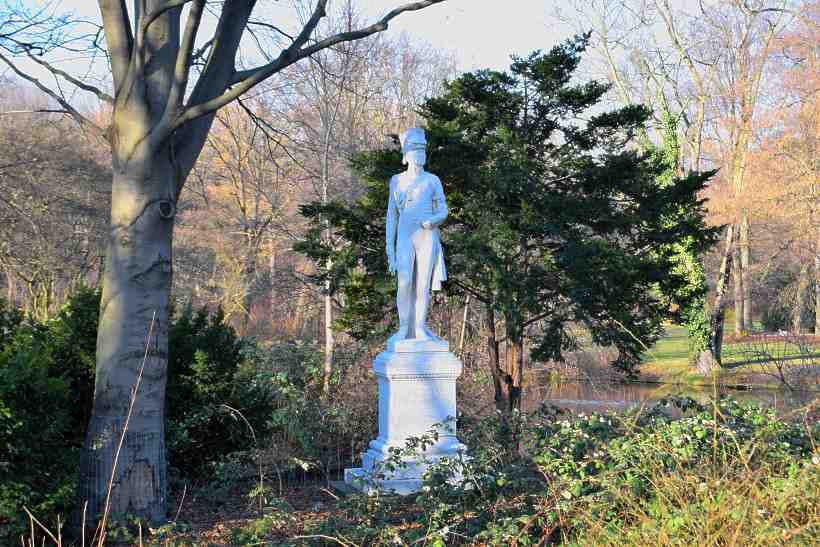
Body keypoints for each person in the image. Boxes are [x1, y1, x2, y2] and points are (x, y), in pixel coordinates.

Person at [386, 127, 448, 344]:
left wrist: (433, 221)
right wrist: (390, 250)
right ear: (407, 153)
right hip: (405, 236)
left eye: (422, 149)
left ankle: (419, 328)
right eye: (415, 149)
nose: (420, 153)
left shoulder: (433, 180)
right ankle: (404, 328)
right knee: (404, 283)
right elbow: (391, 217)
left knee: (422, 284)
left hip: (427, 236)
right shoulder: (397, 181)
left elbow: (444, 209)